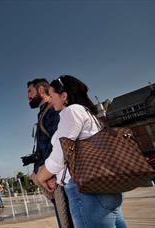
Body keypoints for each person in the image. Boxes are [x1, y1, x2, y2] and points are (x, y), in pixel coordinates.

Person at [37, 75, 127, 228]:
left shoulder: (71, 111)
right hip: (105, 189)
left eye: (52, 96)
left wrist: (41, 176)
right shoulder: (87, 113)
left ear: (64, 96)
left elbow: (61, 155)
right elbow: (73, 153)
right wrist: (57, 178)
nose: (50, 101)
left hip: (87, 193)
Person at [23, 78, 69, 228]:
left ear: (41, 91)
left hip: (58, 180)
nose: (28, 96)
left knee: (67, 222)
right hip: (54, 177)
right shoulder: (44, 112)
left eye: (30, 91)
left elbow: (60, 143)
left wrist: (49, 173)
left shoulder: (52, 110)